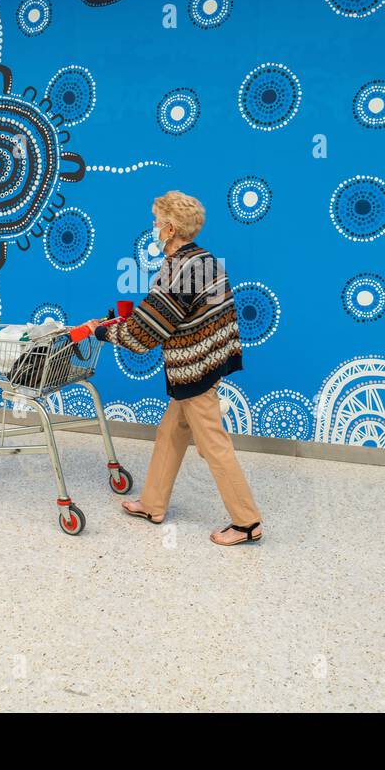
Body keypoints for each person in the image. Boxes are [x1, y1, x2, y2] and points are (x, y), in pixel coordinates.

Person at [81, 191, 263, 546]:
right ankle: (153, 504)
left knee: (213, 445)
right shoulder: (205, 259)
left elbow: (145, 333)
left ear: (169, 227)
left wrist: (100, 331)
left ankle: (247, 522)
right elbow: (182, 315)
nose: (153, 227)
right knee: (170, 434)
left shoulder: (179, 269)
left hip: (194, 370)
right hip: (207, 361)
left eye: (156, 221)